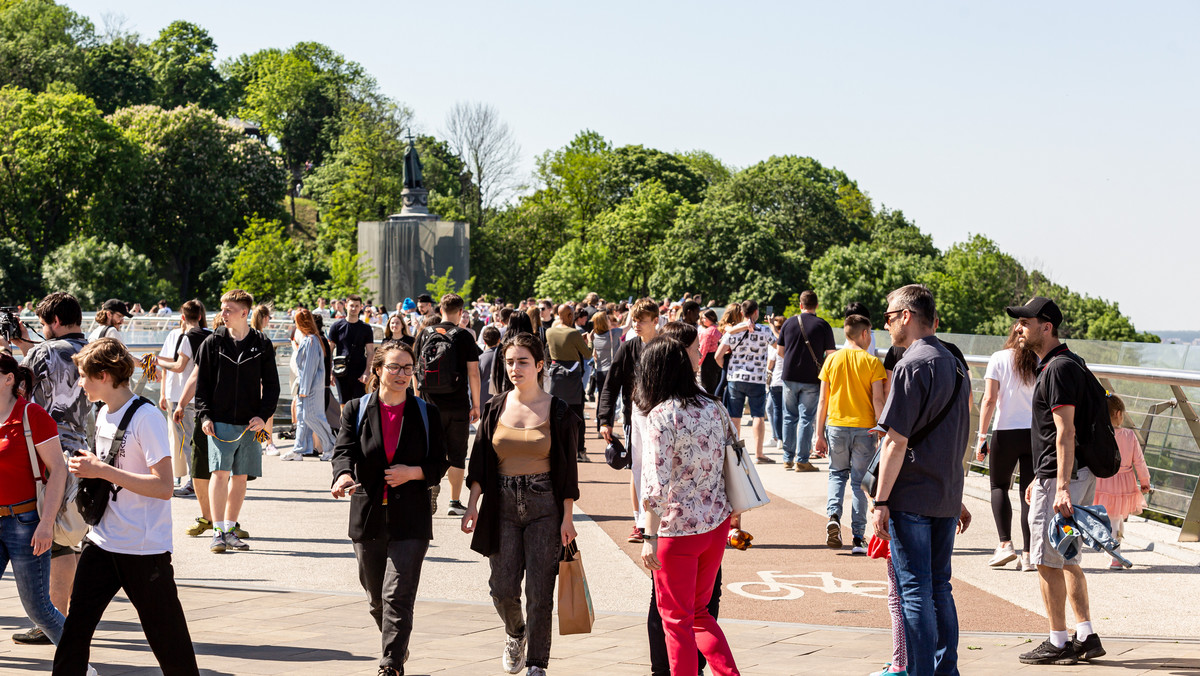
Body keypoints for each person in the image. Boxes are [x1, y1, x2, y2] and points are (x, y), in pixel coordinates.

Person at [56, 338, 199, 675]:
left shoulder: (146, 417)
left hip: (144, 549)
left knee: (168, 640)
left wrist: (100, 470)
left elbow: (164, 486)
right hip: (103, 542)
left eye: (83, 377)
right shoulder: (103, 413)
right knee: (75, 630)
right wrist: (88, 467)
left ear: (103, 375)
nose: (80, 384)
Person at [460, 332, 580, 676]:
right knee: (502, 587)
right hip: (502, 505)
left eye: (523, 361)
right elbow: (480, 460)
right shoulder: (495, 406)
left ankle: (537, 663)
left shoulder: (558, 412)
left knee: (540, 591)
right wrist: (472, 504)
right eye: (510, 361)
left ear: (540, 366)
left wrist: (567, 517)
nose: (515, 368)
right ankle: (516, 632)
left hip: (545, 505)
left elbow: (568, 472)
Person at [331, 342, 449, 676]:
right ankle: (396, 643)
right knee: (376, 598)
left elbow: (440, 461)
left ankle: (391, 663)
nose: (401, 374)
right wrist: (341, 476)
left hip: (411, 518)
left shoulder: (426, 412)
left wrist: (414, 473)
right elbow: (343, 451)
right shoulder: (356, 408)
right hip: (367, 515)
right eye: (395, 367)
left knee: (397, 594)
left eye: (408, 368)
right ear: (378, 369)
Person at [870, 284, 971, 676]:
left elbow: (896, 442)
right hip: (945, 492)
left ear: (908, 316)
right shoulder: (955, 363)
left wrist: (880, 501)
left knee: (914, 591)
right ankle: (947, 671)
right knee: (939, 588)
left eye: (891, 316)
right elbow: (959, 432)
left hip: (911, 494)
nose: (888, 323)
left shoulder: (912, 365)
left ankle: (921, 673)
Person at [1008, 296, 1106, 665]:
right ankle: (1086, 635)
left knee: (1047, 562)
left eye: (1025, 322)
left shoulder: (1057, 369)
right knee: (1066, 559)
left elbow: (1065, 432)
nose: (1019, 328)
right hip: (1063, 474)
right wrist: (1042, 475)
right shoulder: (1069, 363)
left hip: (1063, 479)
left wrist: (1059, 484)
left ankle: (1058, 641)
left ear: (1046, 327)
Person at [637, 335, 740, 676]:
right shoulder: (713, 405)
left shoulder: (662, 415)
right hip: (715, 522)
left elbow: (655, 483)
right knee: (699, 613)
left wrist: (648, 536)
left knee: (676, 621)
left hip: (677, 530)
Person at [2, 292, 89, 645]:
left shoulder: (44, 352)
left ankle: (50, 622)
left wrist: (20, 349)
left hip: (42, 450)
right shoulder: (91, 349)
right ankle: (59, 616)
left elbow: (20, 397)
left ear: (53, 321)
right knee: (66, 540)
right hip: (81, 447)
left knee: (48, 538)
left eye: (42, 324)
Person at [193, 289, 279, 554]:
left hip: (251, 424)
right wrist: (205, 415)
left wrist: (263, 416)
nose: (223, 314)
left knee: (240, 477)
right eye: (222, 308)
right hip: (220, 421)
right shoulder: (212, 343)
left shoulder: (262, 344)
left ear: (245, 313)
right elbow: (202, 386)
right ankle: (218, 531)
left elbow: (273, 387)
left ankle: (230, 529)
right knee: (220, 474)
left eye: (228, 309)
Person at [0, 352, 69, 650]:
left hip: (26, 524)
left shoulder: (31, 416)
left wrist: (46, 523)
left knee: (38, 609)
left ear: (8, 379)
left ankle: (77, 662)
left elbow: (58, 471)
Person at [814, 314, 886, 554]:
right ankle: (857, 537)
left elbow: (823, 400)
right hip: (865, 428)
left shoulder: (831, 361)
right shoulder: (872, 362)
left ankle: (833, 516)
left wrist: (818, 434)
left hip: (835, 426)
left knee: (836, 474)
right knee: (859, 483)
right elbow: (878, 399)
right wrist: (882, 429)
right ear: (865, 333)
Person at [975, 323, 1038, 571]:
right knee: (1029, 493)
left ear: (1012, 332)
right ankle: (1029, 554)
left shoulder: (999, 358)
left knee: (999, 486)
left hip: (1005, 431)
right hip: (1034, 433)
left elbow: (989, 398)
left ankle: (1005, 544)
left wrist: (981, 436)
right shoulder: (1038, 359)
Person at [413, 293, 481, 517]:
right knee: (457, 454)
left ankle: (431, 486)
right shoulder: (463, 335)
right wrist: (476, 405)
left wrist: (417, 399)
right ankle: (454, 501)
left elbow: (415, 370)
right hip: (457, 404)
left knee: (431, 450)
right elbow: (473, 372)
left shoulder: (424, 333)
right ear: (461, 312)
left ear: (439, 309)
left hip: (429, 404)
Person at [598, 298, 659, 544]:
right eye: (634, 319)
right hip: (634, 418)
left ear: (656, 321)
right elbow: (610, 384)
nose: (636, 324)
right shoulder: (628, 347)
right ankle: (639, 521)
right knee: (636, 467)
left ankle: (659, 520)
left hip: (662, 420)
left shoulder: (666, 346)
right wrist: (605, 419)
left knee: (660, 468)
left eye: (641, 320)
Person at [778, 291, 837, 472]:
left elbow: (780, 351)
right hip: (812, 378)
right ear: (816, 305)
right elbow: (831, 355)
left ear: (800, 305)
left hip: (789, 376)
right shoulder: (823, 325)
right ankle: (802, 460)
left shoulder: (788, 323)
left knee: (789, 417)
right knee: (806, 418)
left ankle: (787, 458)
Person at [714, 300, 775, 464]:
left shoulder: (733, 332)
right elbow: (778, 346)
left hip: (736, 378)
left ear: (742, 313)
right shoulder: (765, 330)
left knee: (735, 416)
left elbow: (718, 356)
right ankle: (759, 454)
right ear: (756, 312)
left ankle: (736, 451)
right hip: (757, 379)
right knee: (758, 416)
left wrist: (729, 370)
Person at [156, 300, 206, 497]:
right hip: (201, 395)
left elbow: (177, 366)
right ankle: (202, 479)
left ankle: (194, 482)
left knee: (187, 442)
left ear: (183, 317)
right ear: (201, 316)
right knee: (200, 441)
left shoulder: (183, 336)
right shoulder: (210, 336)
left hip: (180, 395)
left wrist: (156, 361)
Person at [1094, 394, 1150, 569]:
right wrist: (1145, 481)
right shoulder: (1129, 435)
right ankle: (1115, 555)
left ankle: (1107, 546)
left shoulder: (1098, 433)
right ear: (1118, 413)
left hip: (1101, 481)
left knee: (1100, 516)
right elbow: (1139, 461)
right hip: (1123, 483)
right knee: (1116, 519)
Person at [285, 309, 337, 462]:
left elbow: (309, 367)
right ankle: (299, 449)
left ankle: (330, 446)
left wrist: (304, 390)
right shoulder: (313, 339)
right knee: (302, 418)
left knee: (313, 417)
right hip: (309, 387)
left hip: (310, 388)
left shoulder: (311, 341)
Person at [545, 305, 592, 463]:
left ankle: (554, 448)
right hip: (573, 377)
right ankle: (579, 449)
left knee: (555, 414)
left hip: (556, 375)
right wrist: (589, 341)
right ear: (570, 315)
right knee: (577, 415)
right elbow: (587, 354)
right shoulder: (574, 333)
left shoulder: (549, 332)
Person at [329, 294, 377, 407]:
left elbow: (370, 352)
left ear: (361, 307)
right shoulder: (336, 326)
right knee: (343, 404)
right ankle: (344, 425)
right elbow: (329, 350)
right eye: (351, 305)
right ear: (346, 306)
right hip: (341, 370)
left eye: (357, 306)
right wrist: (331, 371)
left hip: (360, 370)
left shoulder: (366, 328)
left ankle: (358, 425)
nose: (354, 308)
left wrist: (367, 372)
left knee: (360, 404)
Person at [588, 312, 622, 423]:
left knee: (601, 398)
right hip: (611, 370)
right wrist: (631, 310)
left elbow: (594, 353)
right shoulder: (614, 332)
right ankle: (608, 426)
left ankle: (600, 425)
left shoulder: (594, 335)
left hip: (599, 371)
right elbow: (628, 325)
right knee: (610, 400)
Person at [765, 314, 786, 449]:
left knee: (778, 410)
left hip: (777, 381)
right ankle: (777, 436)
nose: (777, 329)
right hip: (784, 381)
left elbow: (770, 364)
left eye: (780, 327)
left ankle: (779, 438)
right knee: (772, 409)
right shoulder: (789, 342)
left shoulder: (777, 345)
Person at [698, 309, 722, 394]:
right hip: (719, 359)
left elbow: (703, 349)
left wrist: (698, 362)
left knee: (707, 386)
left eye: (704, 318)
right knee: (717, 386)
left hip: (708, 360)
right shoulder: (720, 329)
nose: (702, 320)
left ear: (710, 318)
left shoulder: (707, 332)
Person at [478, 326, 502, 407]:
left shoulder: (480, 359)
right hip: (501, 397)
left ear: (484, 341)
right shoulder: (504, 357)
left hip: (483, 399)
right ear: (499, 340)